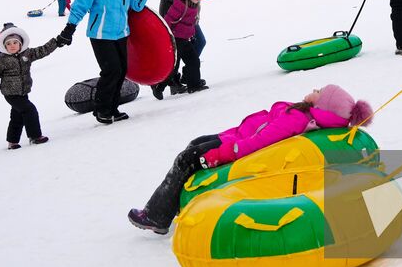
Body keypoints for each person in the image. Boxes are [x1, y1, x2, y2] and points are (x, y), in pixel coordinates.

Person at [127, 84, 374, 234]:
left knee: (187, 158)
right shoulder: (304, 114)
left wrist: (221, 152)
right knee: (194, 144)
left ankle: (157, 216)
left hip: (235, 147)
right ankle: (172, 205)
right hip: (235, 136)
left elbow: (260, 142)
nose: (315, 89)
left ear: (323, 105)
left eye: (320, 91)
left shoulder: (298, 118)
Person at [59, 0, 150, 124]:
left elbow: (137, 6)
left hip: (121, 33)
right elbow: (80, 6)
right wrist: (69, 28)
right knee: (111, 70)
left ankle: (112, 108)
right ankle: (101, 109)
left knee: (122, 70)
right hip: (100, 34)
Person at [0, 25, 65, 148]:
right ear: (4, 46)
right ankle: (35, 136)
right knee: (30, 110)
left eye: (15, 42)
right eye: (8, 44)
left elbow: (43, 50)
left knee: (17, 116)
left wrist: (56, 42)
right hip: (10, 94)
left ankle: (12, 142)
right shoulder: (2, 60)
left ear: (20, 43)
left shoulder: (27, 54)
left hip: (23, 91)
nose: (12, 45)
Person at [153, 0, 209, 98]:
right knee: (176, 51)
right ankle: (172, 82)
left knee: (200, 42)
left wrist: (196, 11)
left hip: (189, 16)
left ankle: (187, 76)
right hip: (172, 15)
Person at [161, 0, 207, 94]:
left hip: (185, 39)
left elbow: (190, 24)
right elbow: (168, 20)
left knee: (194, 61)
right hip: (175, 39)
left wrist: (191, 35)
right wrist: (167, 37)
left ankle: (194, 85)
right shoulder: (179, 5)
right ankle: (158, 87)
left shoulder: (193, 6)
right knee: (173, 66)